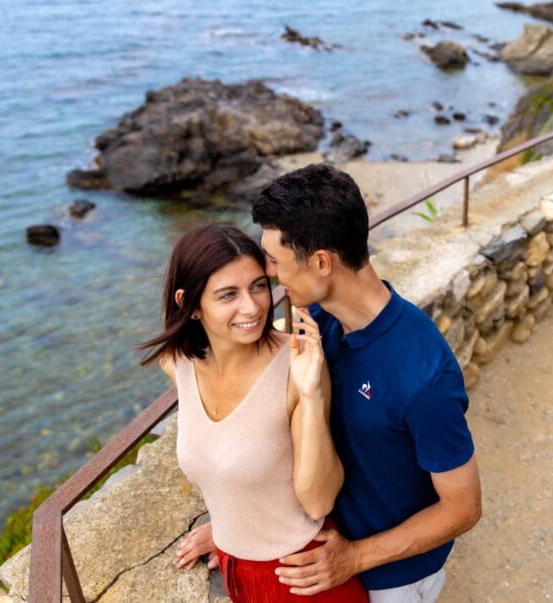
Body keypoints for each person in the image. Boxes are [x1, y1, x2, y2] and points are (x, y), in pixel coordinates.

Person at [250, 164, 482, 602]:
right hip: (329, 553)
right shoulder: (317, 322)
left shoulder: (423, 375)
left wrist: (354, 558)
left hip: (393, 581)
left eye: (276, 261)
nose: (272, 274)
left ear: (322, 262)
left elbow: (464, 507)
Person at [138, 222, 367, 603]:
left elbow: (318, 501)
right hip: (236, 573)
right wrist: (226, 528)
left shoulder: (299, 363)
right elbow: (225, 458)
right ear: (189, 305)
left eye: (259, 286)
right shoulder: (177, 363)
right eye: (228, 294)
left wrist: (310, 396)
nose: (253, 306)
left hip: (303, 577)